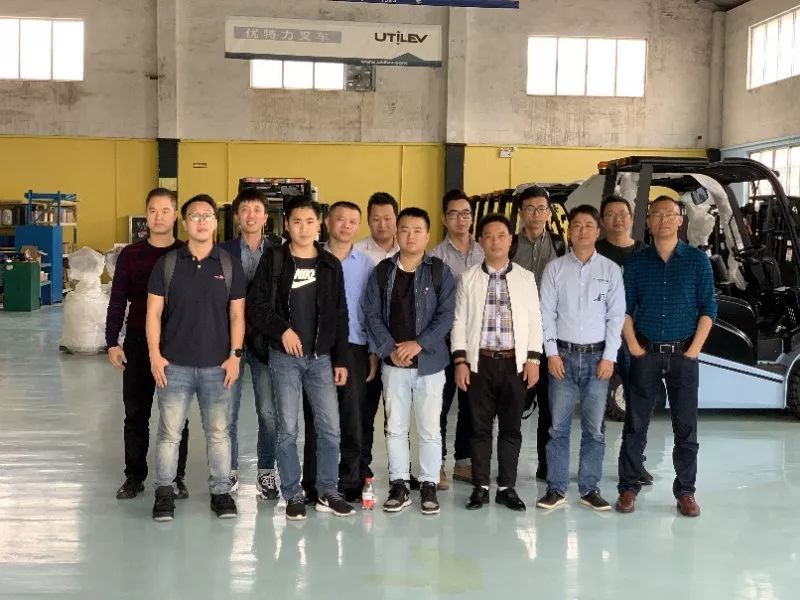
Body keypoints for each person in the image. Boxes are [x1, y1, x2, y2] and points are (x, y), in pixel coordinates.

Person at [246, 197, 355, 521]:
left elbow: (340, 314)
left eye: (309, 221)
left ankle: (328, 490)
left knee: (330, 428)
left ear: (319, 224)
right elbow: (256, 305)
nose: (304, 228)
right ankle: (293, 493)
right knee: (288, 430)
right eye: (297, 222)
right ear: (286, 225)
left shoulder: (330, 264)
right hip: (284, 359)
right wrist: (283, 331)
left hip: (321, 359)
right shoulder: (274, 260)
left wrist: (341, 360)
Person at [146, 194, 246, 521]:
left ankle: (221, 493)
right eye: (194, 216)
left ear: (216, 222)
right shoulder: (168, 264)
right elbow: (153, 313)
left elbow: (237, 315)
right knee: (169, 434)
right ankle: (164, 492)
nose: (201, 221)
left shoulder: (229, 265)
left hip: (218, 367)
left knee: (219, 433)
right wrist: (154, 355)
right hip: (174, 366)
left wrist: (235, 356)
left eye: (207, 216)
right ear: (184, 222)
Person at [615, 196, 717, 517]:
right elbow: (624, 309)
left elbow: (708, 308)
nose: (663, 219)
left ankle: (686, 491)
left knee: (685, 427)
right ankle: (628, 487)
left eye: (669, 214)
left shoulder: (697, 262)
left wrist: (694, 350)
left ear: (680, 220)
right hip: (645, 353)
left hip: (684, 354)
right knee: (635, 423)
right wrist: (633, 346)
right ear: (647, 222)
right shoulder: (637, 263)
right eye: (656, 214)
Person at [363, 207, 456, 515]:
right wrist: (388, 348)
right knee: (395, 428)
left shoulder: (440, 272)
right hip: (394, 365)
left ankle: (429, 484)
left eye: (417, 230)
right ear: (397, 233)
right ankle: (399, 484)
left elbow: (446, 316)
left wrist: (419, 344)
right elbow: (371, 313)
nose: (410, 235)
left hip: (430, 364)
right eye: (404, 229)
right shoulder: (382, 272)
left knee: (430, 429)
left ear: (427, 236)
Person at [535, 205, 625, 511]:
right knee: (558, 428)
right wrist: (551, 354)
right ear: (569, 231)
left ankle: (589, 489)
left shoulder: (611, 271)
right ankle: (556, 488)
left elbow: (616, 317)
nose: (582, 230)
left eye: (588, 225)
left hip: (598, 358)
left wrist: (609, 357)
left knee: (594, 429)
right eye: (576, 225)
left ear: (598, 231)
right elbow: (546, 314)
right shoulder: (555, 269)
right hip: (563, 358)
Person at [451, 213, 542, 512]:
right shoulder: (468, 278)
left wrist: (533, 359)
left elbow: (535, 321)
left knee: (511, 429)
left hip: (515, 365)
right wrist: (461, 361)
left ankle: (506, 487)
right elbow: (459, 322)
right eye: (488, 236)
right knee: (479, 429)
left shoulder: (525, 278)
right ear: (480, 241)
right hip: (481, 364)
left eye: (501, 235)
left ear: (510, 240)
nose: (495, 241)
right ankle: (480, 486)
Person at [106, 188, 190, 501]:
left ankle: (176, 477)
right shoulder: (131, 255)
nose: (158, 217)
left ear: (175, 215)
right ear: (146, 215)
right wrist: (112, 341)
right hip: (138, 343)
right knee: (136, 413)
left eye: (165, 211)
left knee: (177, 416)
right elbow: (118, 300)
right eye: (153, 211)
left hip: (177, 345)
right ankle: (134, 476)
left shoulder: (186, 253)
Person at [302, 201, 377, 503]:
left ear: (358, 226)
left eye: (352, 221)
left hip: (355, 348)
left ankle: (350, 481)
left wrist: (372, 351)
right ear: (327, 223)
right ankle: (312, 482)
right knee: (316, 417)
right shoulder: (310, 258)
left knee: (352, 416)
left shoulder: (366, 265)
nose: (346, 225)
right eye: (340, 219)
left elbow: (371, 311)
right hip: (317, 349)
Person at [218, 188, 279, 500]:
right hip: (230, 343)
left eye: (257, 210)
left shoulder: (280, 250)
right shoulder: (222, 251)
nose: (251, 215)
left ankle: (266, 471)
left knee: (268, 412)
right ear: (236, 216)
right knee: (227, 412)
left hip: (266, 344)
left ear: (266, 216)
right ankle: (228, 470)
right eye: (245, 210)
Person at [596, 194, 655, 486]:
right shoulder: (593, 251)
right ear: (602, 221)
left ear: (631, 218)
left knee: (638, 405)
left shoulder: (645, 253)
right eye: (610, 214)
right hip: (598, 339)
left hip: (636, 340)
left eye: (622, 213)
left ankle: (634, 465)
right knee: (596, 405)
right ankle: (592, 465)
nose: (617, 219)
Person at [511, 186, 566, 480]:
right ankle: (508, 465)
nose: (536, 214)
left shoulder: (559, 244)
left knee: (549, 403)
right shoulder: (510, 244)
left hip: (549, 337)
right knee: (513, 404)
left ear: (548, 212)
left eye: (542, 208)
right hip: (516, 337)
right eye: (530, 208)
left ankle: (546, 465)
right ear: (521, 213)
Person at [430, 189, 484, 489]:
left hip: (477, 340)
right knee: (439, 403)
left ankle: (464, 463)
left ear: (472, 217)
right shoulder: (435, 256)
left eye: (465, 213)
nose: (460, 219)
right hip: (445, 339)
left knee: (472, 403)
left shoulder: (484, 251)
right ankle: (435, 464)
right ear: (444, 218)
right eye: (454, 214)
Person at [354, 192, 406, 486]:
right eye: (376, 218)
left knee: (399, 415)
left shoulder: (410, 250)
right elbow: (360, 306)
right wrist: (373, 349)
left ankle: (402, 472)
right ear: (368, 220)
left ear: (396, 219)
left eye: (388, 218)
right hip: (368, 349)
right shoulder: (358, 253)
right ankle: (362, 468)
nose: (382, 224)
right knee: (365, 412)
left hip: (403, 349)